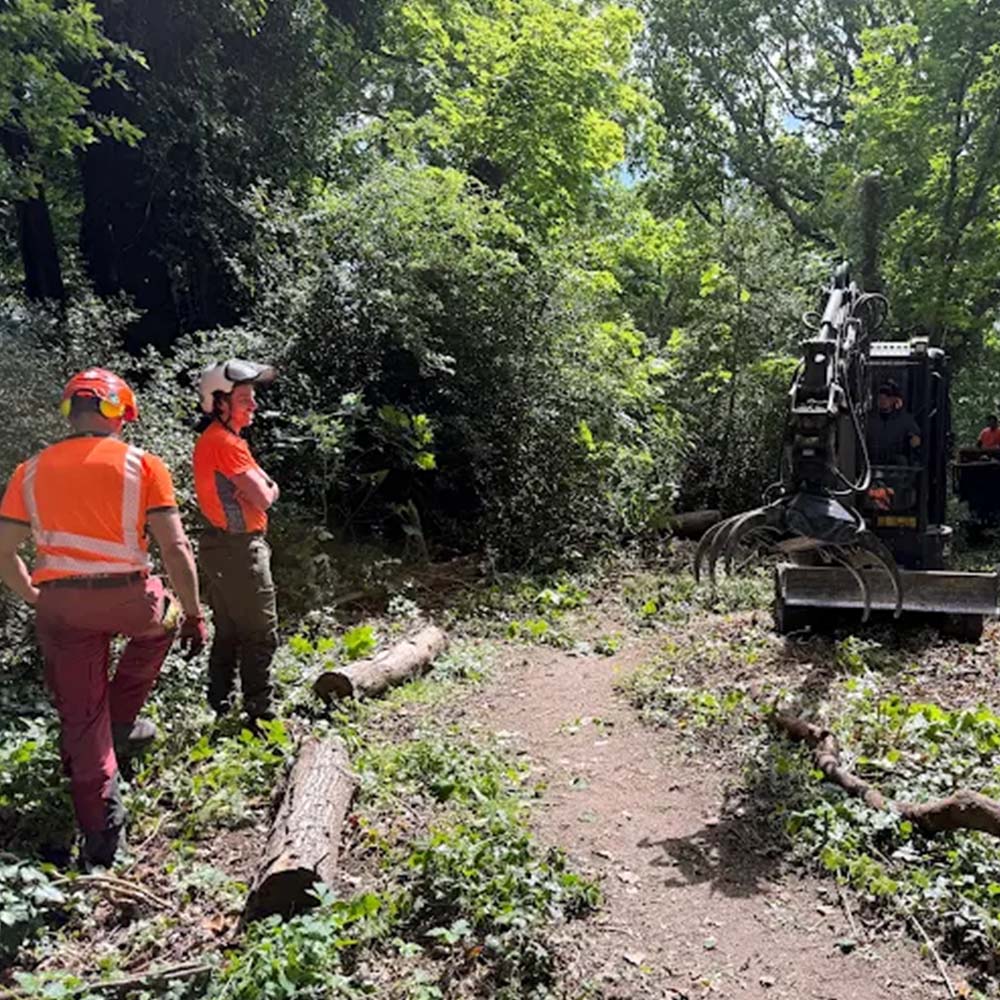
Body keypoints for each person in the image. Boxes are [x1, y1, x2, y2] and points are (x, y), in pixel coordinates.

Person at [0, 369, 207, 868]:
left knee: (81, 720)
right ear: (119, 412)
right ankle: (120, 718)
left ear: (71, 412)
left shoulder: (28, 471)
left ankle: (102, 842)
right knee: (168, 613)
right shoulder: (143, 465)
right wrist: (196, 614)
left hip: (61, 608)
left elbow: (3, 550)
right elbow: (175, 548)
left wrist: (31, 592)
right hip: (131, 600)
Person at [193, 359, 279, 726]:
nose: (253, 406)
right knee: (261, 632)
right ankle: (260, 715)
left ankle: (220, 705)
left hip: (222, 547)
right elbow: (264, 495)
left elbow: (259, 489)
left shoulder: (225, 441)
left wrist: (265, 488)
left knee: (228, 631)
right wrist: (270, 489)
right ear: (219, 402)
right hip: (239, 549)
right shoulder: (226, 443)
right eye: (244, 398)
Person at [871, 379, 921, 465]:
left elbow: (915, 437)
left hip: (896, 467)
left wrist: (915, 440)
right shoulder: (868, 418)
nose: (883, 400)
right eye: (880, 397)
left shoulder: (905, 420)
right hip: (871, 463)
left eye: (887, 397)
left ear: (894, 399)